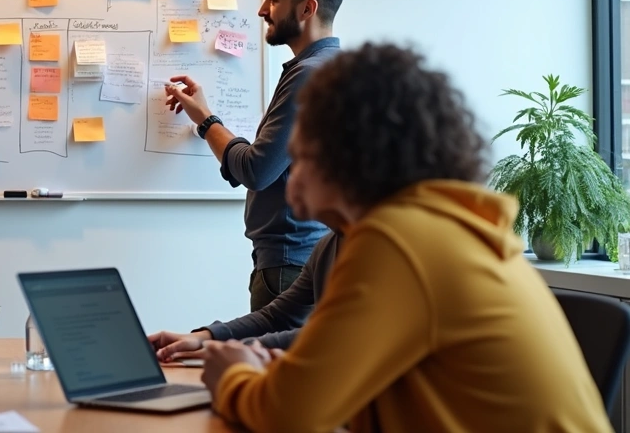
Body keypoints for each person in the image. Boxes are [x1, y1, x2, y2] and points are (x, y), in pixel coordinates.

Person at [199, 43, 611, 433]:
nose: (290, 168)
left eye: (301, 150)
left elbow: (288, 416)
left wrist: (233, 374)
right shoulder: (431, 231)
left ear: (348, 153)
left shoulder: (400, 242)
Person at [166, 0, 345, 311]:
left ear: (307, 9)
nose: (263, 10)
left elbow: (257, 169)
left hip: (289, 264)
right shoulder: (335, 66)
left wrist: (206, 121)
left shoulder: (309, 75)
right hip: (304, 256)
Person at [147, 229, 339, 360]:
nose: (289, 186)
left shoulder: (357, 253)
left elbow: (329, 335)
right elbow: (277, 316)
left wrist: (233, 349)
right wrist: (205, 337)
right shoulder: (327, 245)